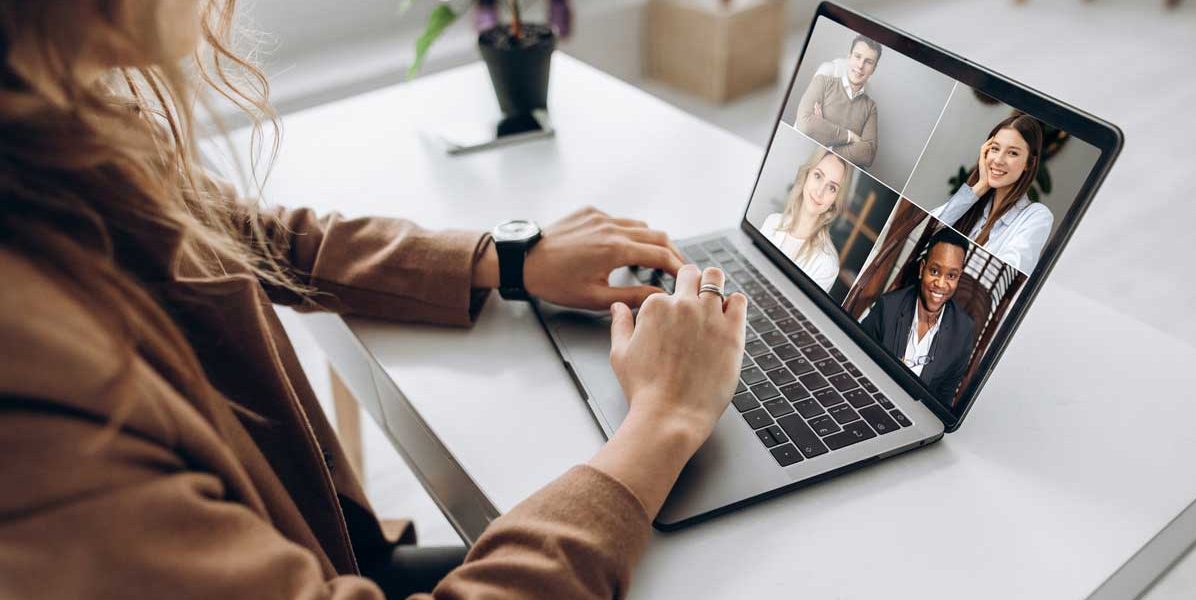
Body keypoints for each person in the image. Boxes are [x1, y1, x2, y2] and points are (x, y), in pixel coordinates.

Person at [0, 2, 748, 599]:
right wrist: (661, 423)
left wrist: (507, 258)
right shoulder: (37, 407)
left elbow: (256, 236)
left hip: (329, 551)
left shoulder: (57, 135)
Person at [859, 227, 975, 405]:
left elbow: (945, 397)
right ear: (922, 269)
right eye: (935, 271)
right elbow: (857, 356)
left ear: (959, 277)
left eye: (951, 275)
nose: (941, 284)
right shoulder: (888, 307)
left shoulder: (964, 331)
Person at [930, 113, 1053, 274]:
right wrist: (980, 186)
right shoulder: (974, 204)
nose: (998, 160)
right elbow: (926, 230)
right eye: (995, 149)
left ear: (1029, 163)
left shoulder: (1037, 216)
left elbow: (1005, 274)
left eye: (1012, 153)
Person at [758, 150, 849, 292]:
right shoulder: (772, 222)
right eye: (818, 176)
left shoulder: (827, 264)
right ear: (807, 175)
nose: (820, 192)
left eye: (832, 188)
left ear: (835, 200)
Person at [793, 34, 881, 168]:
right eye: (857, 56)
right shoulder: (823, 82)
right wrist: (850, 137)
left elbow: (868, 155)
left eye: (868, 62)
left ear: (874, 69)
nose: (860, 65)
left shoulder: (870, 107)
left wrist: (823, 133)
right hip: (800, 157)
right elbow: (805, 125)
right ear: (849, 56)